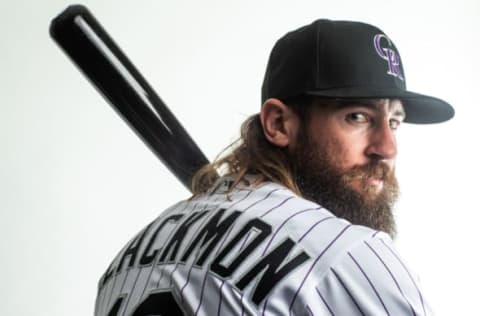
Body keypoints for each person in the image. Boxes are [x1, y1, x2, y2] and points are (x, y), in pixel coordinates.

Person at [94, 19, 454, 316]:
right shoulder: (347, 256)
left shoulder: (125, 260)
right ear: (279, 124)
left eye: (394, 121)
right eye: (357, 117)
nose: (386, 148)